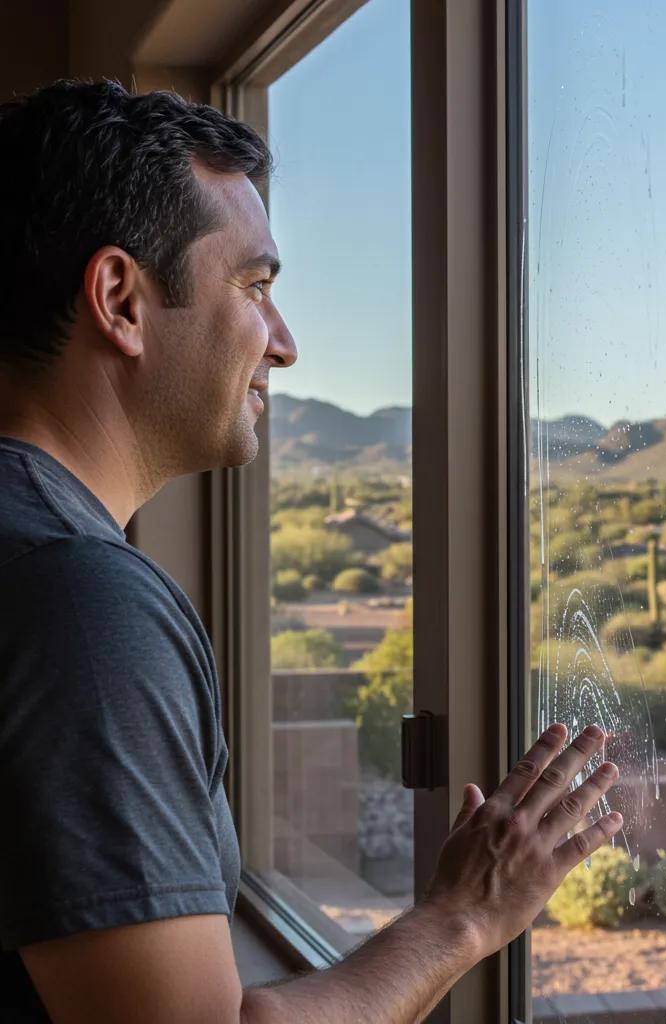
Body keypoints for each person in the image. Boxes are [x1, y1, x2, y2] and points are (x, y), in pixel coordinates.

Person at [0, 79, 623, 1023]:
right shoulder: (80, 604)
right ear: (121, 300)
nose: (283, 344)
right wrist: (462, 918)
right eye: (255, 287)